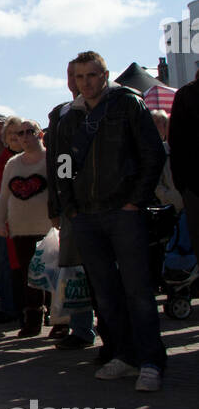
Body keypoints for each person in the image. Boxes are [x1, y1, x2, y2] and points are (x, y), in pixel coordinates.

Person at [52, 50, 166, 391]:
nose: (85, 83)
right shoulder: (68, 117)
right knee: (105, 293)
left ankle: (150, 362)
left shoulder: (128, 104)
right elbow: (62, 165)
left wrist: (135, 201)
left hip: (123, 212)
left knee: (138, 291)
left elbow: (153, 153)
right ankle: (122, 355)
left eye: (92, 75)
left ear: (105, 75)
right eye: (79, 76)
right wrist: (69, 207)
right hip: (86, 215)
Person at [46, 64, 98, 352]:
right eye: (73, 76)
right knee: (75, 270)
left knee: (104, 271)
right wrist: (57, 203)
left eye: (85, 75)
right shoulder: (62, 113)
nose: (77, 82)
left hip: (103, 204)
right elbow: (57, 163)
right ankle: (82, 328)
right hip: (71, 207)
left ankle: (114, 330)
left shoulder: (112, 106)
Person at [0, 120, 53, 337]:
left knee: (54, 274)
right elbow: (3, 196)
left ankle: (60, 320)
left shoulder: (53, 159)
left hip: (49, 227)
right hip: (20, 229)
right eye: (21, 133)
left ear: (40, 134)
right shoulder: (12, 163)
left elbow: (64, 187)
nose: (26, 136)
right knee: (30, 278)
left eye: (31, 132)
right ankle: (33, 320)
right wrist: (0, 222)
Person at [168, 63, 199, 264]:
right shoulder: (187, 95)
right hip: (195, 187)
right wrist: (185, 187)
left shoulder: (185, 95)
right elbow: (176, 144)